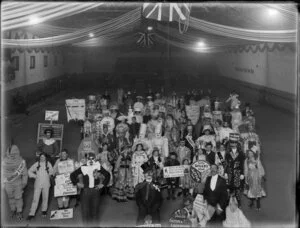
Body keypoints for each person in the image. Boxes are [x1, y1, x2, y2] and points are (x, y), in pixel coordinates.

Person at [70, 152, 110, 226]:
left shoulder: (98, 166)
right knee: (85, 212)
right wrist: (77, 183)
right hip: (85, 191)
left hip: (96, 191)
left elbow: (107, 175)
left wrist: (103, 184)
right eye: (89, 158)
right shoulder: (83, 167)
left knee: (95, 212)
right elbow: (72, 175)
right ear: (86, 159)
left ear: (95, 158)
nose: (91, 160)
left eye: (92, 158)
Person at [3, 144, 28, 221]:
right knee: (11, 197)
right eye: (11, 154)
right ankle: (13, 209)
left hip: (18, 183)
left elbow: (25, 173)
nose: (12, 155)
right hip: (8, 183)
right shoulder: (4, 161)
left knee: (18, 198)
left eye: (14, 154)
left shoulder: (21, 162)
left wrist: (24, 182)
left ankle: (19, 211)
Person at [27, 153, 54, 220]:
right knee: (35, 199)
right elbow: (29, 171)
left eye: (43, 157)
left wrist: (51, 176)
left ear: (45, 158)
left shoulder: (48, 164)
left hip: (46, 184)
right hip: (38, 184)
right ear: (39, 157)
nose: (42, 158)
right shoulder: (36, 164)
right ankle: (31, 213)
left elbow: (52, 172)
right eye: (41, 157)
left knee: (45, 198)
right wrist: (35, 176)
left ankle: (44, 211)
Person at [224, 136, 245, 207]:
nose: (233, 145)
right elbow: (226, 164)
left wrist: (242, 173)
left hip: (237, 173)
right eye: (232, 143)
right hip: (229, 173)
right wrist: (225, 172)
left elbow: (242, 164)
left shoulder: (241, 153)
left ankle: (238, 202)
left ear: (237, 144)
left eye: (234, 143)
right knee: (229, 188)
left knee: (237, 188)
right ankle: (227, 202)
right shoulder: (227, 154)